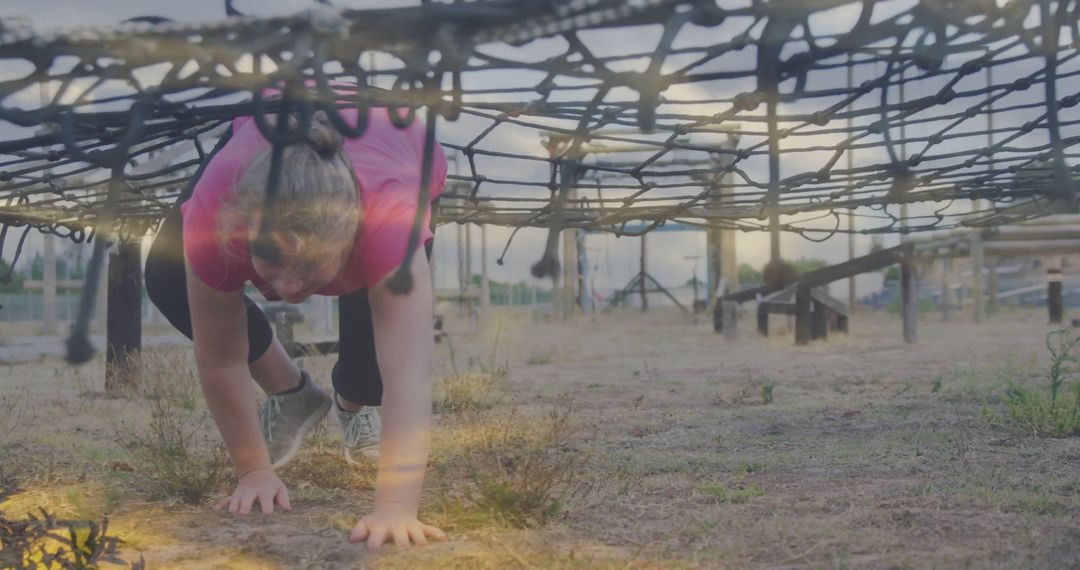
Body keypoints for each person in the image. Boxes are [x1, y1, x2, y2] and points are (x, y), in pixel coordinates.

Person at [144, 101, 449, 550]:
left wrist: (397, 507)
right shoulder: (217, 216)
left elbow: (410, 374)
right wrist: (254, 470)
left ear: (351, 241)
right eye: (273, 260)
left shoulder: (390, 230)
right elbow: (221, 358)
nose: (287, 289)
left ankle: (350, 401)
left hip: (396, 141)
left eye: (307, 268)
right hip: (281, 117)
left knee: (373, 382)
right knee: (170, 276)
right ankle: (292, 392)